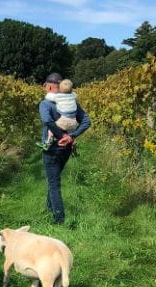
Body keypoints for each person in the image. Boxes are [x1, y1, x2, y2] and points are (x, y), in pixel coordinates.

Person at [39, 73, 91, 225]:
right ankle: (49, 210)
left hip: (52, 148)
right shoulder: (72, 103)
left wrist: (61, 135)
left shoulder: (45, 104)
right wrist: (71, 136)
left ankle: (59, 220)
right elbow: (86, 121)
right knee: (53, 180)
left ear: (49, 86)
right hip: (67, 148)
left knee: (54, 184)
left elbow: (48, 121)